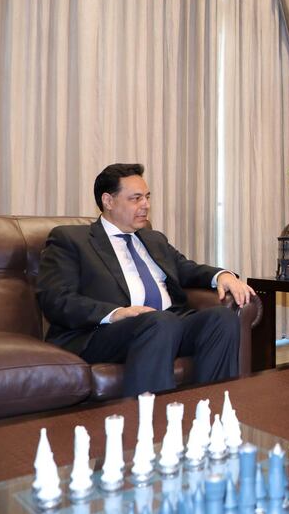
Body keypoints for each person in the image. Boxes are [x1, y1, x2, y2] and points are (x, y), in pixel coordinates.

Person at [37, 163, 256, 397]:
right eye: (136, 198)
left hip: (166, 324)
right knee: (160, 322)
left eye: (147, 197)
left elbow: (186, 269)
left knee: (221, 318)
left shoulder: (153, 239)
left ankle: (210, 414)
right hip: (105, 332)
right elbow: (56, 299)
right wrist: (116, 313)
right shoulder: (71, 239)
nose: (146, 205)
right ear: (108, 201)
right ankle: (150, 424)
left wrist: (222, 275)